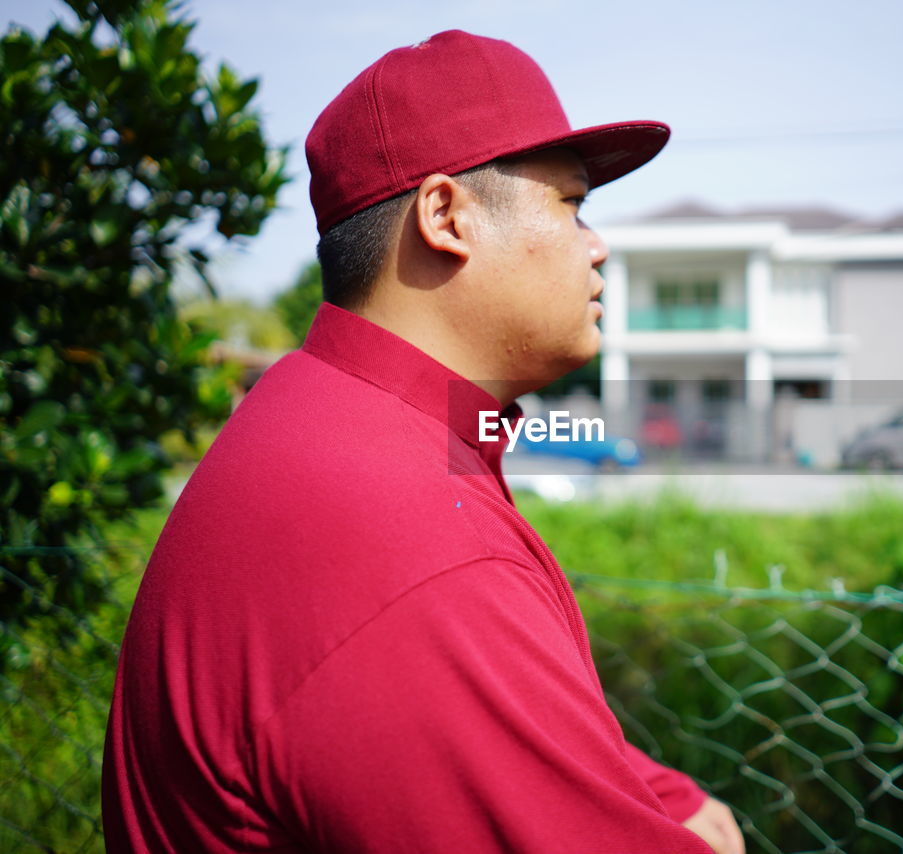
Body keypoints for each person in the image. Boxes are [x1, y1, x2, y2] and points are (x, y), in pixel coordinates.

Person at [101, 29, 746, 854]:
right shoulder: (408, 542)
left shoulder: (324, 423)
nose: (598, 245)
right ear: (446, 217)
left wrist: (662, 795)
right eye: (572, 204)